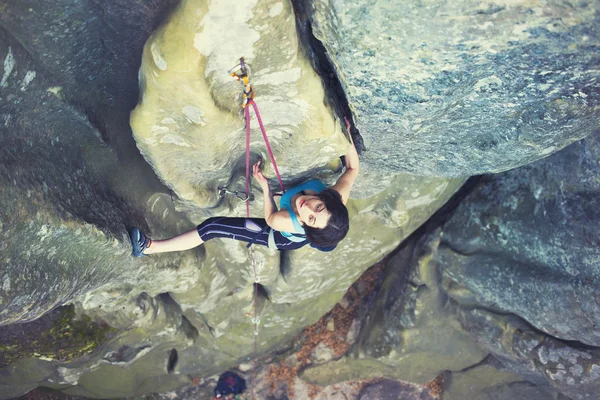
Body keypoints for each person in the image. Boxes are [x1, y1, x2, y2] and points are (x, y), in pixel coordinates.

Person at [130, 118, 359, 256]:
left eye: (310, 218)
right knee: (328, 232)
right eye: (318, 207)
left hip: (282, 236)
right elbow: (351, 169)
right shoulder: (336, 197)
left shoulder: (286, 221)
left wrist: (266, 189)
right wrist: (346, 134)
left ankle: (149, 248)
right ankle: (328, 242)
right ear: (327, 200)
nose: (308, 207)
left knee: (212, 227)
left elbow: (270, 218)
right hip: (319, 225)